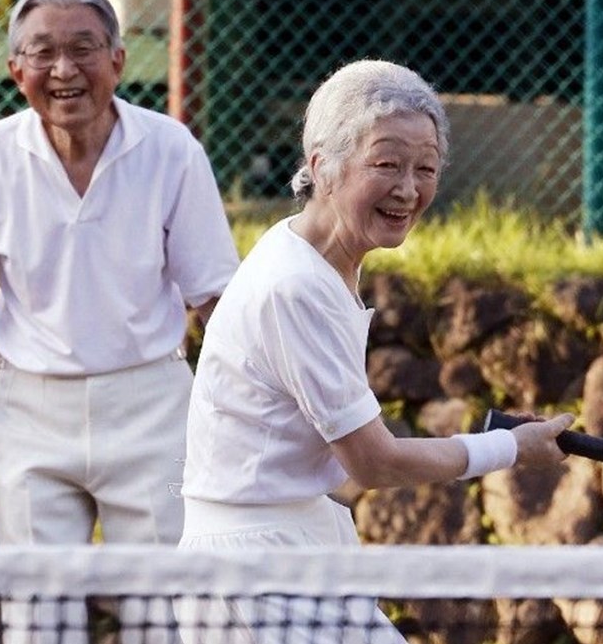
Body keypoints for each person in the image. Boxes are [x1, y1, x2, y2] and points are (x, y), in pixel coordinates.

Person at [174, 59, 573, 643]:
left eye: (426, 168)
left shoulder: (309, 255)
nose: (408, 189)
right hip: (252, 575)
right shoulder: (295, 285)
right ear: (322, 168)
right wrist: (507, 447)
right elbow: (374, 461)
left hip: (293, 550)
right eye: (386, 164)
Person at [0, 0, 240, 644]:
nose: (64, 70)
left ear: (118, 60)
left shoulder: (172, 149)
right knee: (41, 626)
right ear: (16, 71)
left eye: (84, 49)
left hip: (156, 409)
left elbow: (216, 300)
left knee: (167, 623)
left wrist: (269, 413)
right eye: (43, 53)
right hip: (27, 417)